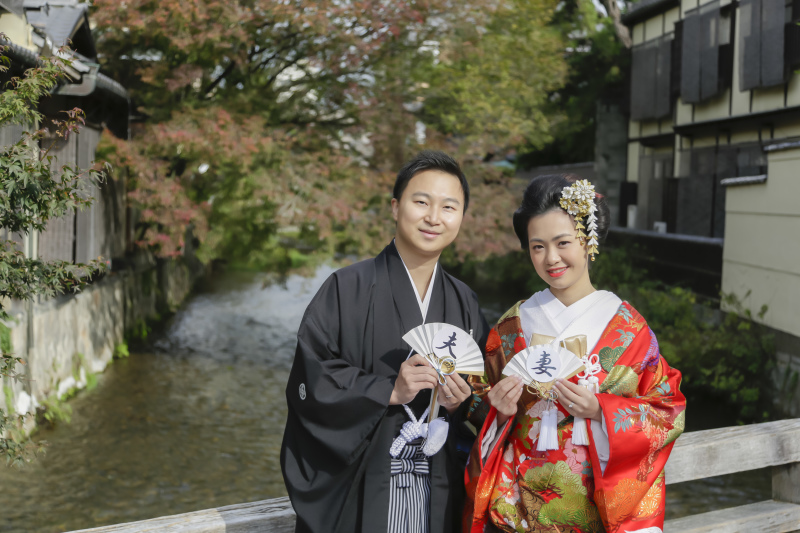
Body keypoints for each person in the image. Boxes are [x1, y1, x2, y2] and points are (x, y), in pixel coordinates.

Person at [463, 175, 686, 533]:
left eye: (563, 242)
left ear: (588, 242)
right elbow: (478, 405)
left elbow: (667, 412)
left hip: (594, 514)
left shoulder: (629, 331)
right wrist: (497, 410)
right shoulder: (512, 326)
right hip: (515, 512)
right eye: (537, 247)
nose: (551, 258)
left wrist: (601, 410)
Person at [281, 150, 490, 533]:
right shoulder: (345, 288)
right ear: (396, 207)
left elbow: (481, 398)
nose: (433, 217)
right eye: (421, 202)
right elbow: (311, 382)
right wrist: (387, 391)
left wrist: (465, 401)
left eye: (449, 207)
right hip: (365, 484)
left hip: (438, 489)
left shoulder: (465, 301)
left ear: (461, 217)